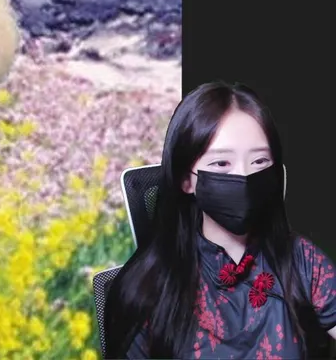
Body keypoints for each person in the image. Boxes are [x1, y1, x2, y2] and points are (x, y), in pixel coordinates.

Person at [103, 80, 336, 359]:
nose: (244, 176)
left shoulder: (303, 261)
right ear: (187, 180)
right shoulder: (146, 289)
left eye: (260, 162)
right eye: (221, 164)